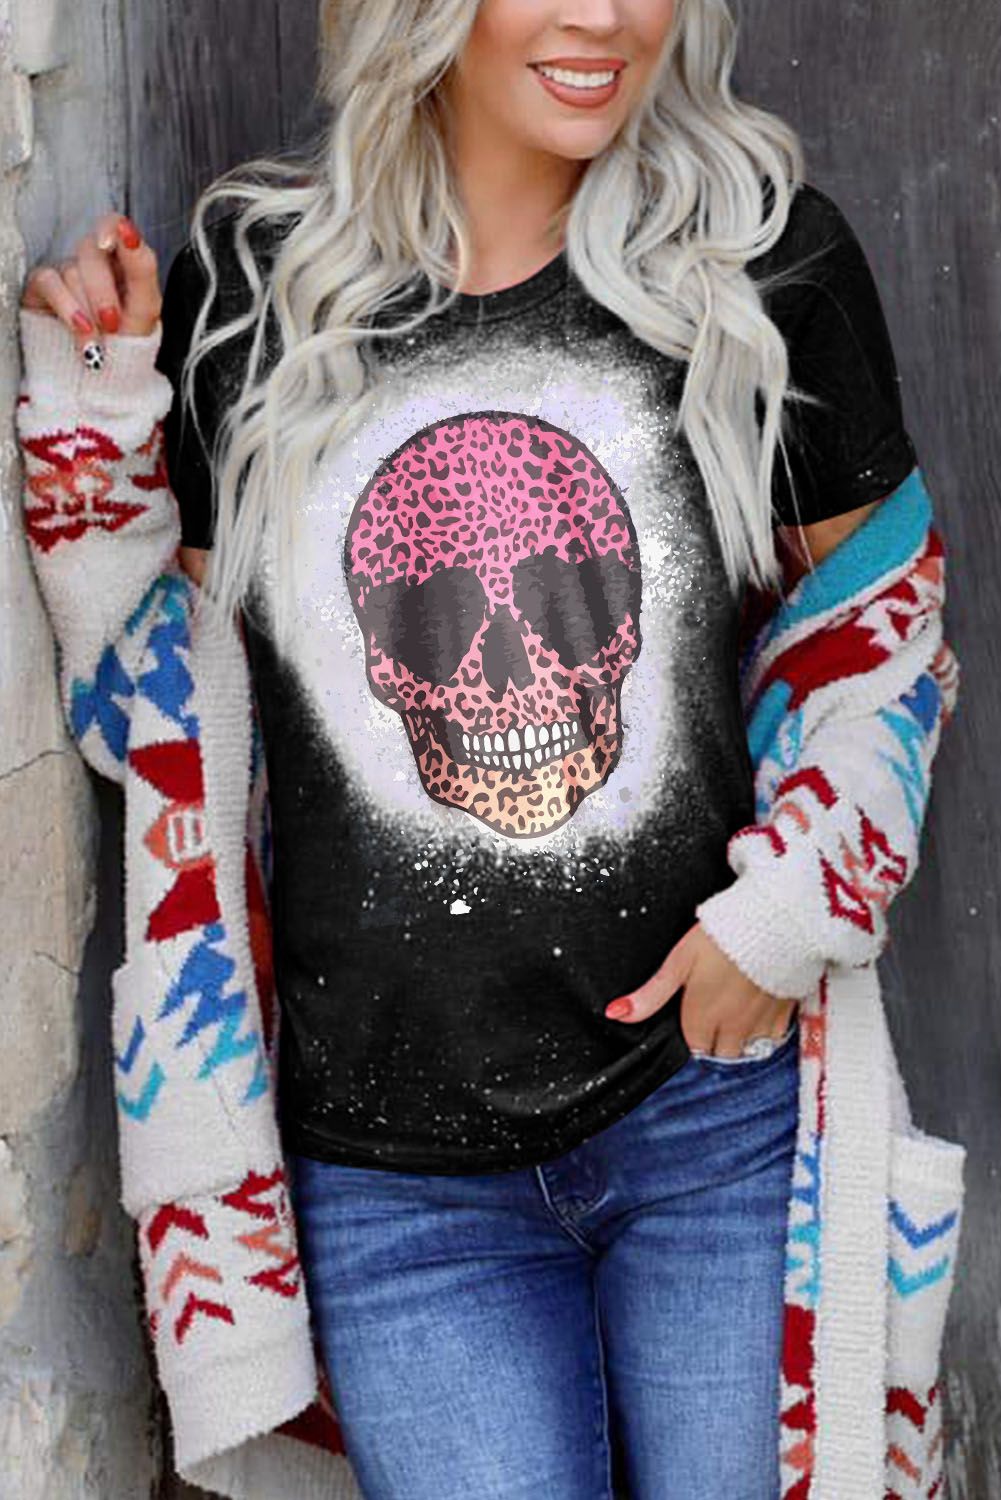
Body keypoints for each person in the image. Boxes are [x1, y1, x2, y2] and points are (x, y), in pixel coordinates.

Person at [16, 1, 955, 1495]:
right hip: (398, 1190)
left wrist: (786, 917)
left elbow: (881, 632)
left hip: (709, 1121)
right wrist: (97, 420)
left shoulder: (758, 264)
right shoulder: (254, 283)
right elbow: (165, 706)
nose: (606, 18)